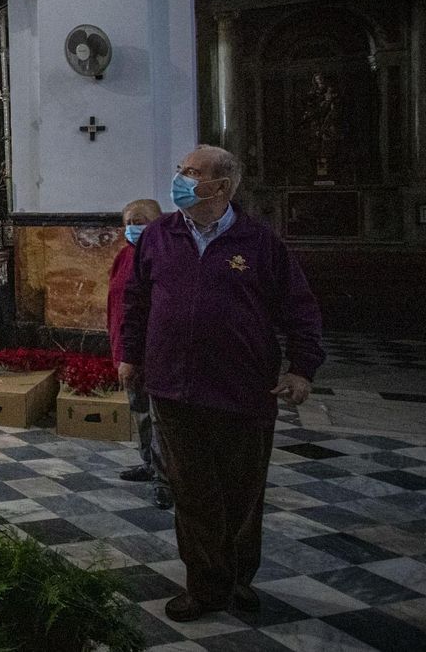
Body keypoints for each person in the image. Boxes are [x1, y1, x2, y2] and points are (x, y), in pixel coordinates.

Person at [120, 145, 324, 623]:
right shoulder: (159, 235)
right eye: (181, 170)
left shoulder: (259, 242)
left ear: (222, 187)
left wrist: (302, 368)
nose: (180, 178)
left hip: (242, 389)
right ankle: (204, 585)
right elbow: (135, 300)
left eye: (192, 173)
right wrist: (130, 355)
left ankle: (238, 579)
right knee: (192, 493)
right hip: (174, 387)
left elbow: (300, 308)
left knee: (242, 493)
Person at [109, 198, 170, 510]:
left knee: (160, 418)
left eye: (140, 221)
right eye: (129, 223)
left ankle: (165, 478)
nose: (133, 228)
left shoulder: (165, 255)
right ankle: (149, 463)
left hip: (154, 352)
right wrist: (120, 351)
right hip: (127, 350)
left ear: (158, 222)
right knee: (141, 412)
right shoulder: (124, 256)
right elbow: (117, 305)